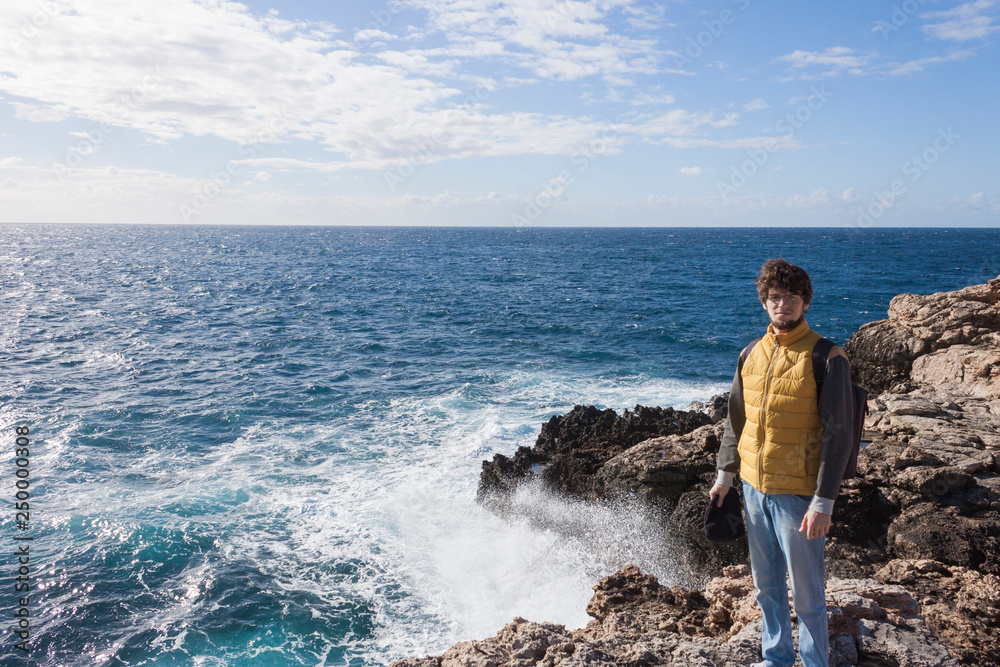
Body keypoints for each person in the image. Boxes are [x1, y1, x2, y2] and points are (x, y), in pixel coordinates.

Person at [709, 258, 853, 667]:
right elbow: (737, 420)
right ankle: (776, 659)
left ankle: (814, 663)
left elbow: (838, 435)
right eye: (774, 298)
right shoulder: (750, 354)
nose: (782, 305)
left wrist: (824, 502)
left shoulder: (827, 357)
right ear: (764, 303)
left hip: (799, 495)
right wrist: (724, 476)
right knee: (766, 587)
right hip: (753, 489)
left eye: (791, 297)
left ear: (805, 301)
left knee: (808, 595)